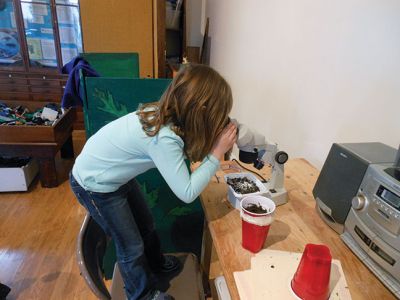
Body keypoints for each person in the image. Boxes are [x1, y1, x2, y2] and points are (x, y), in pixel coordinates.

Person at [69, 64, 237, 300]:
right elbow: (187, 192)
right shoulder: (164, 137)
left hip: (113, 175)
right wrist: (217, 153)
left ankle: (156, 263)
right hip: (95, 184)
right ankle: (141, 295)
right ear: (200, 111)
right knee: (131, 246)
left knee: (146, 224)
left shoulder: (162, 114)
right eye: (216, 114)